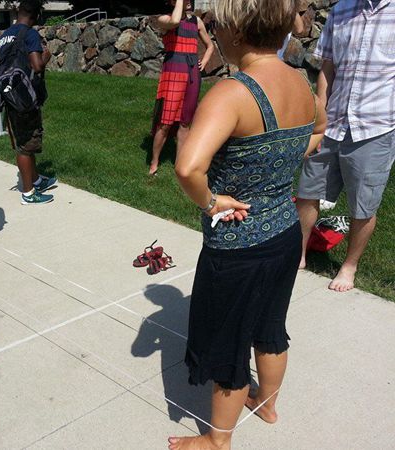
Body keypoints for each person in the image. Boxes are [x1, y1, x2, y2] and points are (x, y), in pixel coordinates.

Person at [169, 0, 326, 448]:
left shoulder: (233, 92)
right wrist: (284, 160)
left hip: (237, 248)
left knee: (229, 343)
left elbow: (188, 168)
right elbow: (319, 129)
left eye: (217, 25)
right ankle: (268, 406)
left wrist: (212, 202)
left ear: (237, 31)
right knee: (270, 328)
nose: (214, 32)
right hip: (284, 234)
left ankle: (217, 441)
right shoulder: (299, 81)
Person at [297, 0, 395, 293]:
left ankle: (349, 266)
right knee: (307, 191)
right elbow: (327, 67)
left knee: (363, 203)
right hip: (332, 122)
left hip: (376, 127)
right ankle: (298, 254)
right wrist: (320, 113)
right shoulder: (341, 10)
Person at [0, 0, 57, 205]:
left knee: (25, 141)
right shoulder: (30, 34)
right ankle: (29, 193)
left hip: (10, 96)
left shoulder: (5, 35)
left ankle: (36, 179)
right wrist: (46, 57)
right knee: (26, 145)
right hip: (25, 97)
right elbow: (36, 65)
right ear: (36, 15)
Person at [149, 0, 215, 176]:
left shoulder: (196, 21)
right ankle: (154, 162)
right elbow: (175, 21)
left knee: (186, 122)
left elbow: (210, 46)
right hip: (173, 71)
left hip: (192, 72)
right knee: (165, 122)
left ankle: (180, 163)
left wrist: (204, 62)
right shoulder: (163, 19)